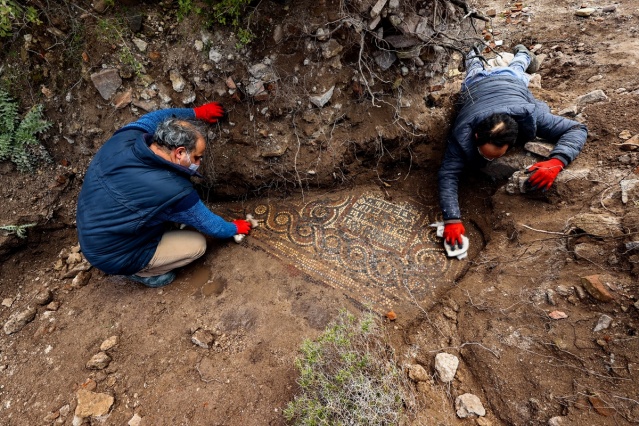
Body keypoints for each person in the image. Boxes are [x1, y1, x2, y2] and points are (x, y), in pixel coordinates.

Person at [76, 103, 252, 287]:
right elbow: (211, 225)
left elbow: (158, 116)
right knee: (197, 245)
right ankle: (143, 272)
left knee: (168, 217)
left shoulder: (125, 138)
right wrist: (234, 228)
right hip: (116, 254)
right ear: (180, 152)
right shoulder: (173, 190)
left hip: (93, 232)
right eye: (197, 157)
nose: (199, 162)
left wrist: (198, 113)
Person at [438, 44, 587, 249]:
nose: (489, 160)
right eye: (485, 154)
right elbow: (448, 174)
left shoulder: (531, 116)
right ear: (475, 136)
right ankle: (472, 47)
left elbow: (577, 129)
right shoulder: (461, 135)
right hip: (475, 86)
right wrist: (451, 219)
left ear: (511, 142)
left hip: (511, 82)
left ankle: (524, 53)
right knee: (473, 67)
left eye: (496, 156)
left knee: (517, 68)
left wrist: (557, 161)